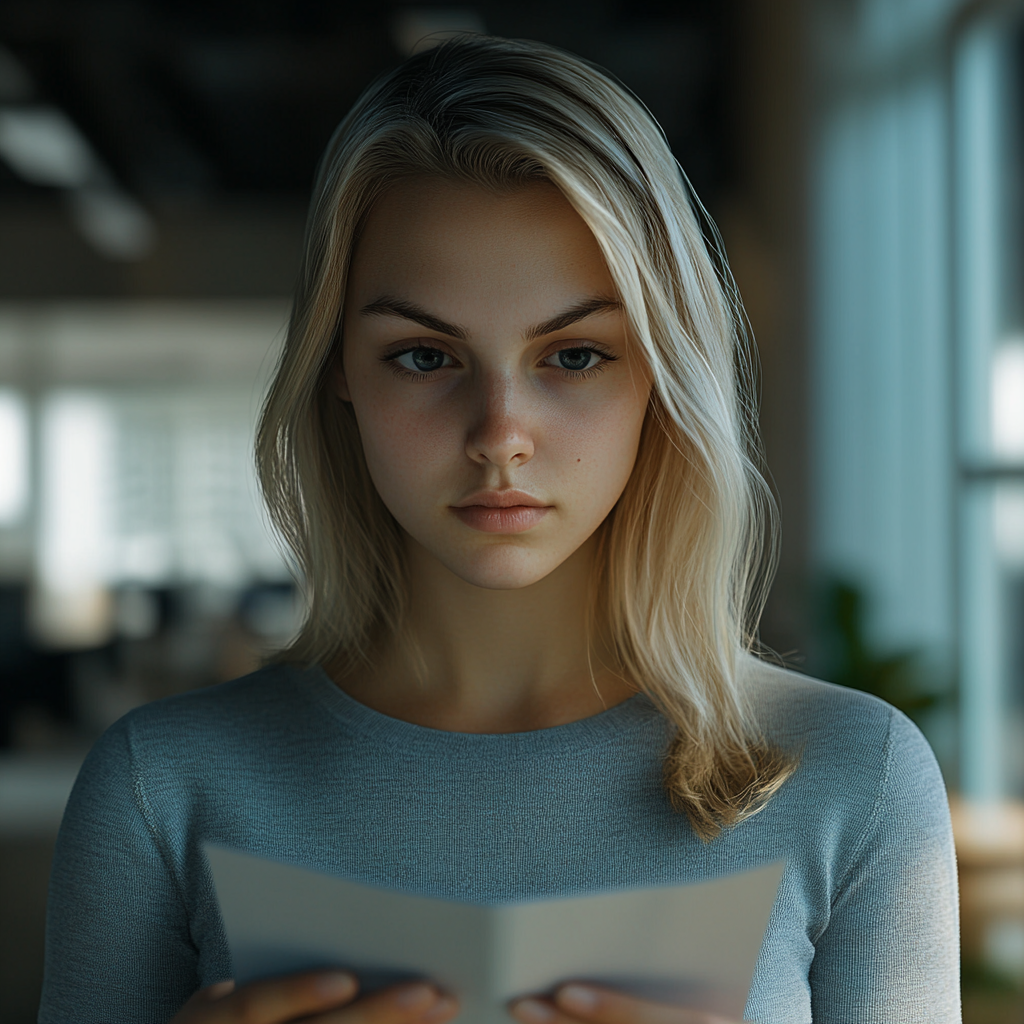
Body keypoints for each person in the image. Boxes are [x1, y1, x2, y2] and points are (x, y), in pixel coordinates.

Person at [38, 34, 960, 1024]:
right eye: (425, 356)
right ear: (337, 373)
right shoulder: (161, 785)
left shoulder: (852, 774)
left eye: (572, 356)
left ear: (662, 374)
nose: (498, 437)